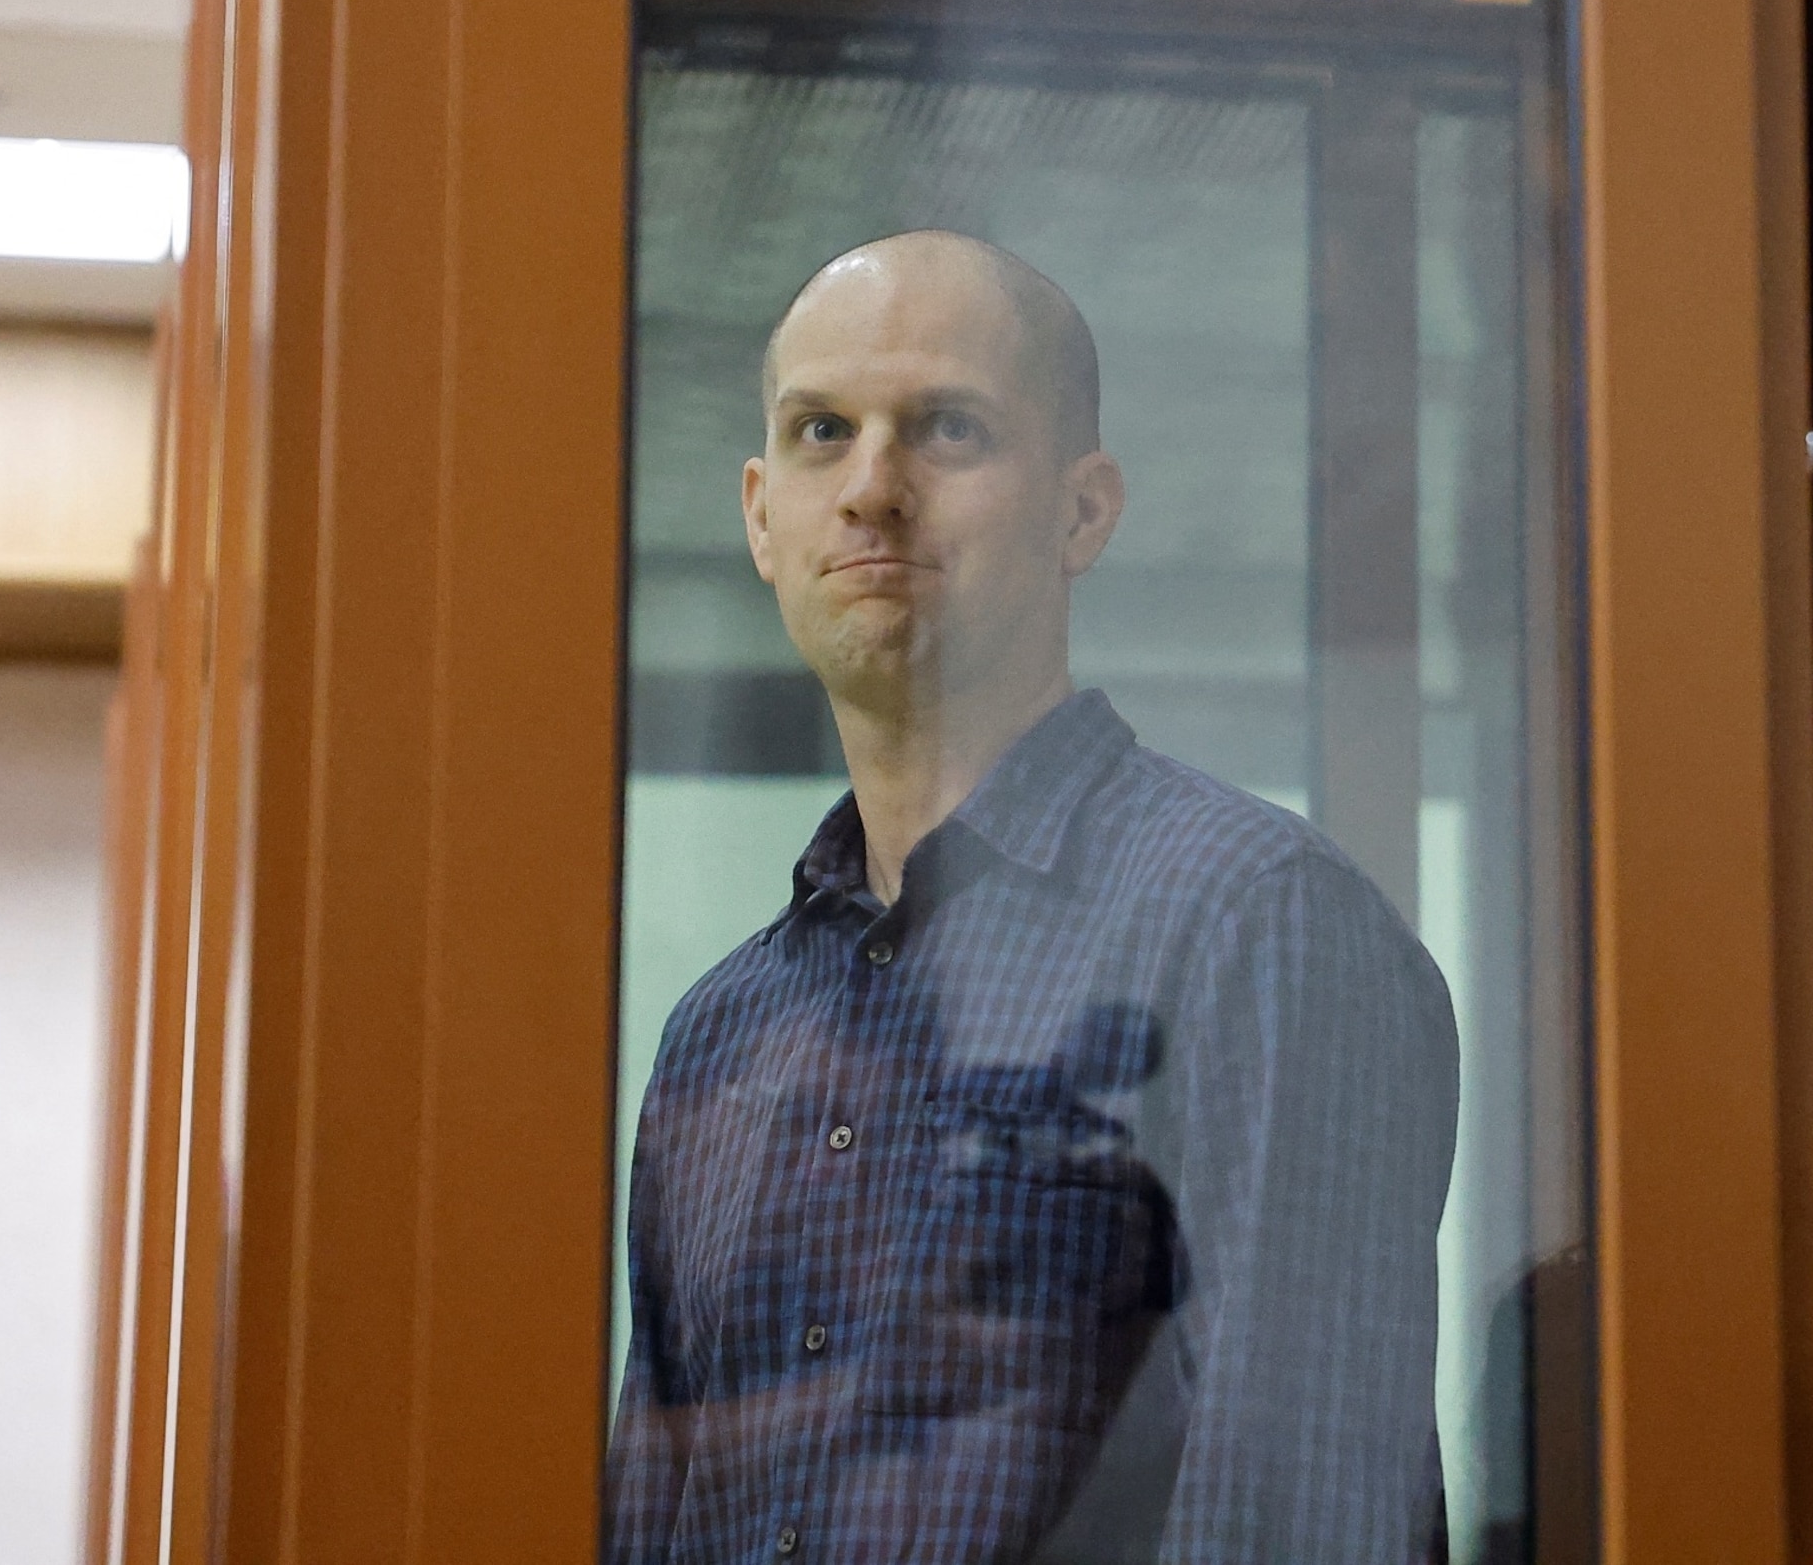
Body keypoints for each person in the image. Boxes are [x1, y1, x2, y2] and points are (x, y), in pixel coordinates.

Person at [606, 231, 1459, 1565]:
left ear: (1084, 511)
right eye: (823, 430)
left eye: (947, 429)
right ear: (760, 516)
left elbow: (1306, 1525)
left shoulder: (1255, 927)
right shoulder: (720, 1032)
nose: (874, 488)